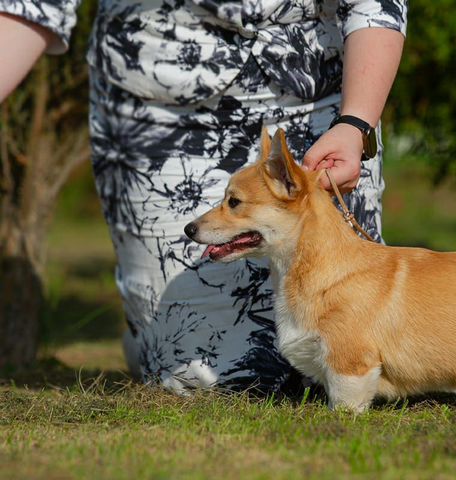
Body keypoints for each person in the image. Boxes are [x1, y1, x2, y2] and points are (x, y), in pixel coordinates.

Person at [0, 0, 406, 393]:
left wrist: (356, 124)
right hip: (164, 108)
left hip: (320, 97)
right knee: (203, 377)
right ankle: (149, 329)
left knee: (351, 349)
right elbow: (30, 5)